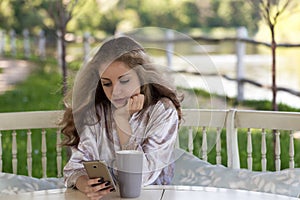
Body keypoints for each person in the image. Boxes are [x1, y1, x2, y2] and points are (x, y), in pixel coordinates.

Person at [60, 35, 183, 200]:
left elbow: (141, 178)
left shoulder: (163, 111)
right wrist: (84, 183)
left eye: (124, 81)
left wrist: (122, 121)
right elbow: (73, 168)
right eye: (107, 83)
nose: (115, 92)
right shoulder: (97, 113)